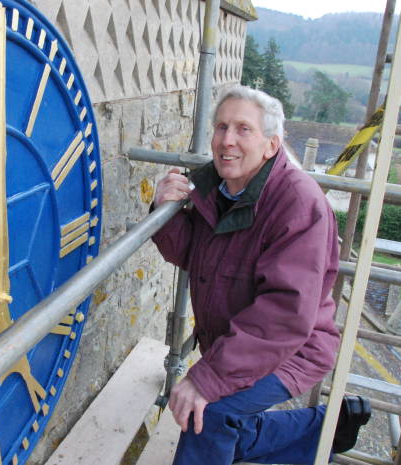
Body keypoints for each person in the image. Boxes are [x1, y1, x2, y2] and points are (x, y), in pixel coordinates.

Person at [151, 85, 371, 464]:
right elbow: (193, 254)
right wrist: (164, 209)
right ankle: (321, 430)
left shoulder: (298, 203)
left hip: (293, 347)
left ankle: (318, 430)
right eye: (221, 127)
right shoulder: (219, 186)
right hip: (240, 341)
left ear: (272, 144)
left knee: (211, 413)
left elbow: (285, 314)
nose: (227, 140)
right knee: (220, 417)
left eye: (243, 129)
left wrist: (206, 378)